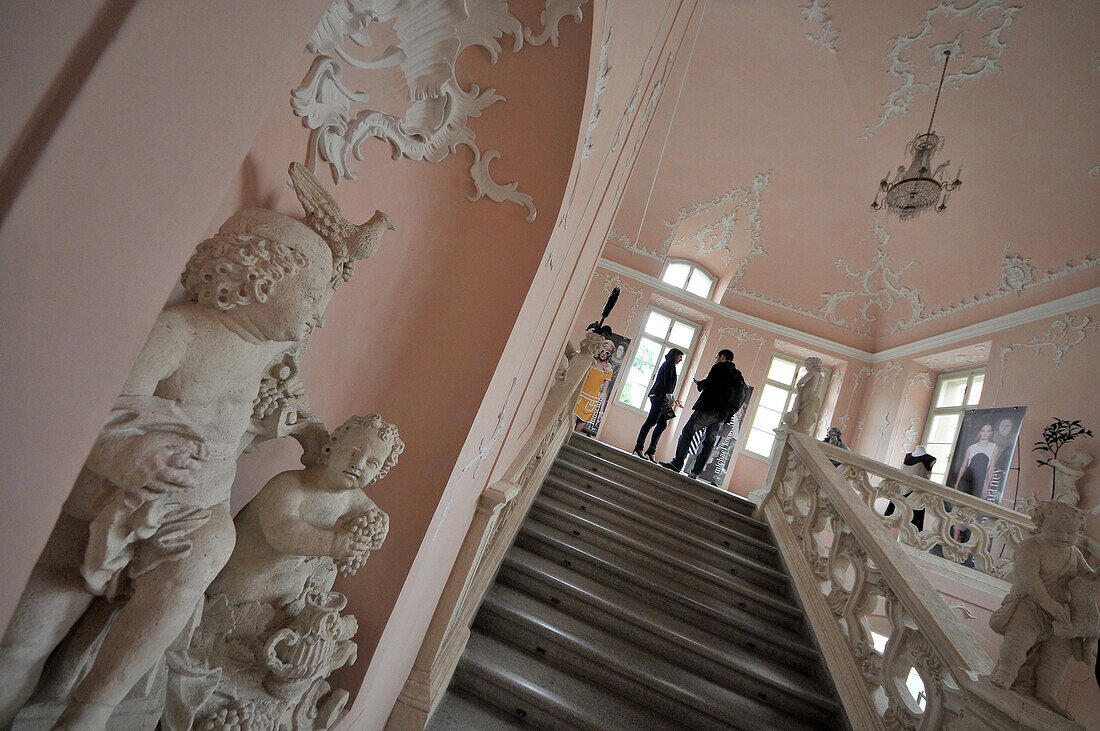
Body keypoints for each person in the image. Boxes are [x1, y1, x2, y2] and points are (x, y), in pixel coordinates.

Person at [989, 502, 1097, 717]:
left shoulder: (1074, 554)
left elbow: (1087, 575)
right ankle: (1006, 672)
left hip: (1061, 616)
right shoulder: (1029, 547)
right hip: (1030, 605)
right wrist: (1047, 602)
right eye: (1056, 530)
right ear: (1040, 525)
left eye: (1071, 532)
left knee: (1057, 657)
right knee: (1018, 640)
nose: (1064, 536)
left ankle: (1047, 691)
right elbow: (1030, 579)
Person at [661, 349, 746, 478]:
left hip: (708, 408)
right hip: (722, 415)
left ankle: (677, 463)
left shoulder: (719, 367)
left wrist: (699, 384)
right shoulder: (738, 375)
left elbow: (709, 383)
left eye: (717, 357)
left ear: (722, 357)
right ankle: (696, 472)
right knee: (709, 442)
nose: (716, 359)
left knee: (688, 432)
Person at [632, 348, 683, 461]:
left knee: (661, 424)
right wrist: (670, 396)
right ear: (675, 355)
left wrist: (671, 398)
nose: (681, 359)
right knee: (651, 422)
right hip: (660, 397)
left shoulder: (669, 365)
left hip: (662, 398)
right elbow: (667, 381)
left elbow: (667, 382)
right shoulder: (670, 364)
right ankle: (639, 447)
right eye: (680, 356)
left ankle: (650, 450)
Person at [573, 338, 615, 431]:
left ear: (609, 355)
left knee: (577, 431)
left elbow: (604, 392)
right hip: (579, 397)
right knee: (570, 424)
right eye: (602, 351)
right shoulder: (590, 362)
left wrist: (601, 411)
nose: (604, 354)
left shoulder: (608, 370)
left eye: (607, 353)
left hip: (592, 402)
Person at [954, 423, 999, 499]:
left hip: (979, 482)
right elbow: (963, 467)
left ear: (991, 433)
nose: (985, 433)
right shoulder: (971, 448)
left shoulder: (994, 447)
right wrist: (957, 485)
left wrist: (986, 487)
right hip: (966, 479)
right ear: (980, 432)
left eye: (988, 431)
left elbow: (991, 469)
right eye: (983, 430)